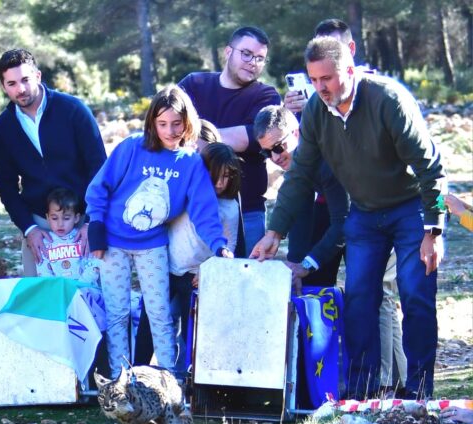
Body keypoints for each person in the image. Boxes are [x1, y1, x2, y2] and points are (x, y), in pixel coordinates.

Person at [250, 37, 447, 399]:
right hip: (365, 212)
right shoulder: (315, 113)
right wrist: (275, 231)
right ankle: (363, 394)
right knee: (358, 299)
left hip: (409, 208)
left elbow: (430, 167)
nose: (320, 87)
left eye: (327, 78)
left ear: (350, 70)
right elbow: (300, 174)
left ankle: (420, 393)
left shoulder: (388, 100)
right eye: (314, 79)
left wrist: (433, 229)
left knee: (415, 292)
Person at [286, 18, 407, 394]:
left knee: (379, 295)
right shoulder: (318, 98)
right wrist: (294, 110)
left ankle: (385, 386)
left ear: (349, 54)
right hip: (332, 206)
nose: (321, 82)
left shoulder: (377, 94)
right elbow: (301, 159)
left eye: (332, 61)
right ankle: (388, 383)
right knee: (354, 297)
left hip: (379, 206)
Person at [86, 85, 233, 379]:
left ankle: (168, 382)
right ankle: (119, 381)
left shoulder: (190, 163)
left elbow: (204, 210)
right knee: (117, 314)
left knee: (159, 315)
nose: (169, 130)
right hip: (112, 243)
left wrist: (219, 245)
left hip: (153, 245)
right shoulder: (131, 147)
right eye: (162, 123)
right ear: (152, 122)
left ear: (187, 122)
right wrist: (97, 229)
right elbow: (99, 188)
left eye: (176, 124)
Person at [0, 49, 107, 276]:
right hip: (40, 226)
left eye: (25, 79)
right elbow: (5, 185)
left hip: (82, 219)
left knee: (93, 295)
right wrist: (29, 228)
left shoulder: (73, 110)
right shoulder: (4, 128)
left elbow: (99, 168)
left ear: (38, 76)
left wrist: (91, 222)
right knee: (41, 300)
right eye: (12, 83)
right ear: (4, 87)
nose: (20, 89)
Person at [179, 26, 281, 255]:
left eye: (259, 58)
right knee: (187, 281)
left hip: (246, 211)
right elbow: (166, 129)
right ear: (228, 51)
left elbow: (250, 137)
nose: (252, 62)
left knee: (244, 280)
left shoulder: (266, 96)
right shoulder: (194, 85)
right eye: (246, 53)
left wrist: (194, 136)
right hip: (188, 208)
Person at [253, 105, 349, 293]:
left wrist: (306, 264)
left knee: (366, 295)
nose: (275, 157)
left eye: (279, 147)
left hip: (375, 208)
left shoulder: (326, 160)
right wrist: (295, 266)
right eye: (267, 152)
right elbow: (298, 211)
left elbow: (344, 223)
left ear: (296, 133)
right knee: (312, 283)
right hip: (333, 208)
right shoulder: (298, 167)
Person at [167, 142, 242, 376]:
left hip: (198, 278)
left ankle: (190, 377)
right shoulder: (184, 195)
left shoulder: (229, 207)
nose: (220, 184)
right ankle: (165, 373)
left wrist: (209, 271)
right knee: (164, 323)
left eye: (226, 177)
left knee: (193, 329)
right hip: (169, 270)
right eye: (215, 176)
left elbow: (228, 247)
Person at [36, 187, 100, 284]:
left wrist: (81, 286)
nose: (60, 224)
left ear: (76, 218)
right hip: (59, 293)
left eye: (66, 218)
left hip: (85, 291)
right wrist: (56, 288)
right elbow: (43, 271)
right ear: (47, 218)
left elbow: (94, 265)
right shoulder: (44, 243)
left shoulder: (83, 238)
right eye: (54, 218)